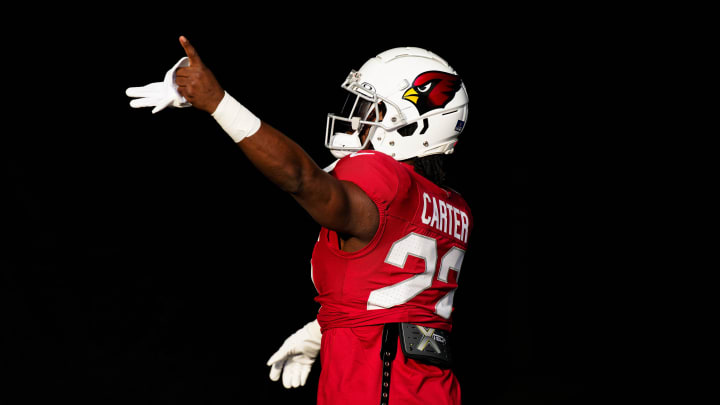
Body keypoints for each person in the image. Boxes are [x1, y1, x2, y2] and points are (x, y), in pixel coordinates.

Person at [127, 36, 472, 405]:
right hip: (422, 386)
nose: (357, 119)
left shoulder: (381, 180)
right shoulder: (453, 208)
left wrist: (218, 102)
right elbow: (398, 297)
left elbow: (301, 179)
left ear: (413, 127)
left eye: (371, 111)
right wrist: (320, 333)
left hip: (378, 387)